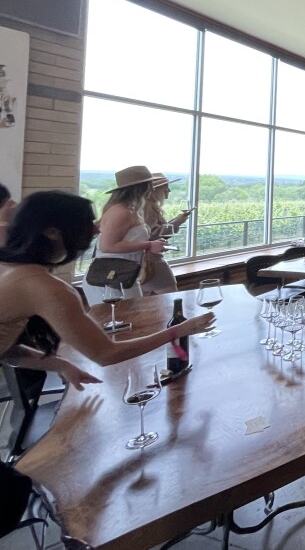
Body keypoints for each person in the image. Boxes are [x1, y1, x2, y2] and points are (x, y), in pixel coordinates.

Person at [0, 191, 215, 533]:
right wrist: (180, 330)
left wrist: (58, 365)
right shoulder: (41, 285)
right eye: (87, 224)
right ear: (54, 232)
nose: (95, 231)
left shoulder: (12, 268)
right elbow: (107, 353)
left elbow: (5, 346)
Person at [81, 166, 167, 304]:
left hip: (125, 275)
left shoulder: (129, 210)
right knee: (121, 320)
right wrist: (149, 245)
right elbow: (108, 246)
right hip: (110, 277)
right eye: (149, 185)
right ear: (142, 188)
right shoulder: (121, 212)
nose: (152, 188)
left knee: (131, 319)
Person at [141, 173, 192, 295]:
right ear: (155, 190)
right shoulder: (149, 208)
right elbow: (154, 235)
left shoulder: (147, 206)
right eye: (166, 187)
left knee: (142, 301)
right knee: (172, 297)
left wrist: (176, 221)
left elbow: (156, 230)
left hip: (146, 261)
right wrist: (178, 222)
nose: (169, 190)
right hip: (152, 261)